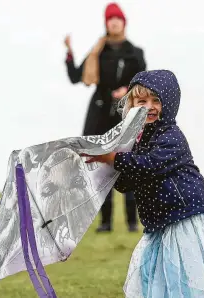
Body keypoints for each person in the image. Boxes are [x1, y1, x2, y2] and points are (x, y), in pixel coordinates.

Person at [83, 70, 204, 297]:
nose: (149, 106)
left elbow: (151, 164)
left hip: (184, 216)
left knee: (186, 274)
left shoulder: (170, 135)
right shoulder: (137, 140)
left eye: (156, 100)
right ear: (131, 106)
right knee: (157, 276)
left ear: (169, 103)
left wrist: (116, 159)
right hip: (159, 221)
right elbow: (127, 182)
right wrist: (109, 165)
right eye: (141, 101)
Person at [63, 2, 146, 232]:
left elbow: (143, 81)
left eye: (117, 18)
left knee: (129, 166)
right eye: (110, 19)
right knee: (101, 169)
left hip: (125, 116)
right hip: (100, 115)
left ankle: (132, 223)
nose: (114, 22)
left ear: (124, 22)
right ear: (106, 23)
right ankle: (106, 223)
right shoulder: (97, 51)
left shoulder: (135, 53)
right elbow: (75, 77)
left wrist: (127, 91)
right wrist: (69, 53)